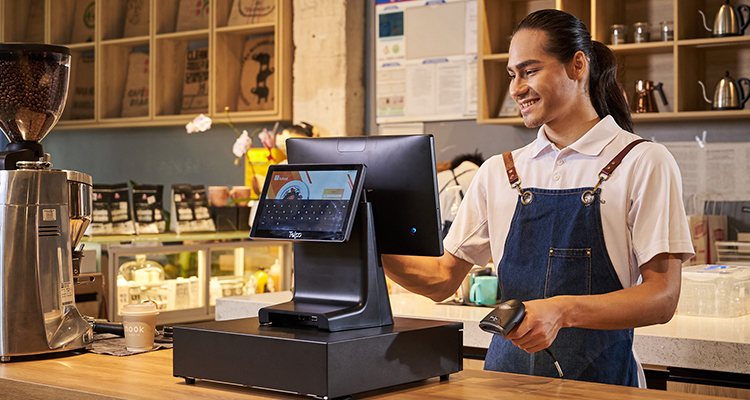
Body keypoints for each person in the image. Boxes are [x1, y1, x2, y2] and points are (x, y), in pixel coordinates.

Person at [381, 9, 693, 388]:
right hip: (505, 384)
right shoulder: (500, 171)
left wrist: (563, 310)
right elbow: (443, 278)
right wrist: (368, 242)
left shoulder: (642, 162)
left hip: (601, 387)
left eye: (529, 71)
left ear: (577, 66)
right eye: (512, 75)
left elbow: (662, 297)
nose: (516, 88)